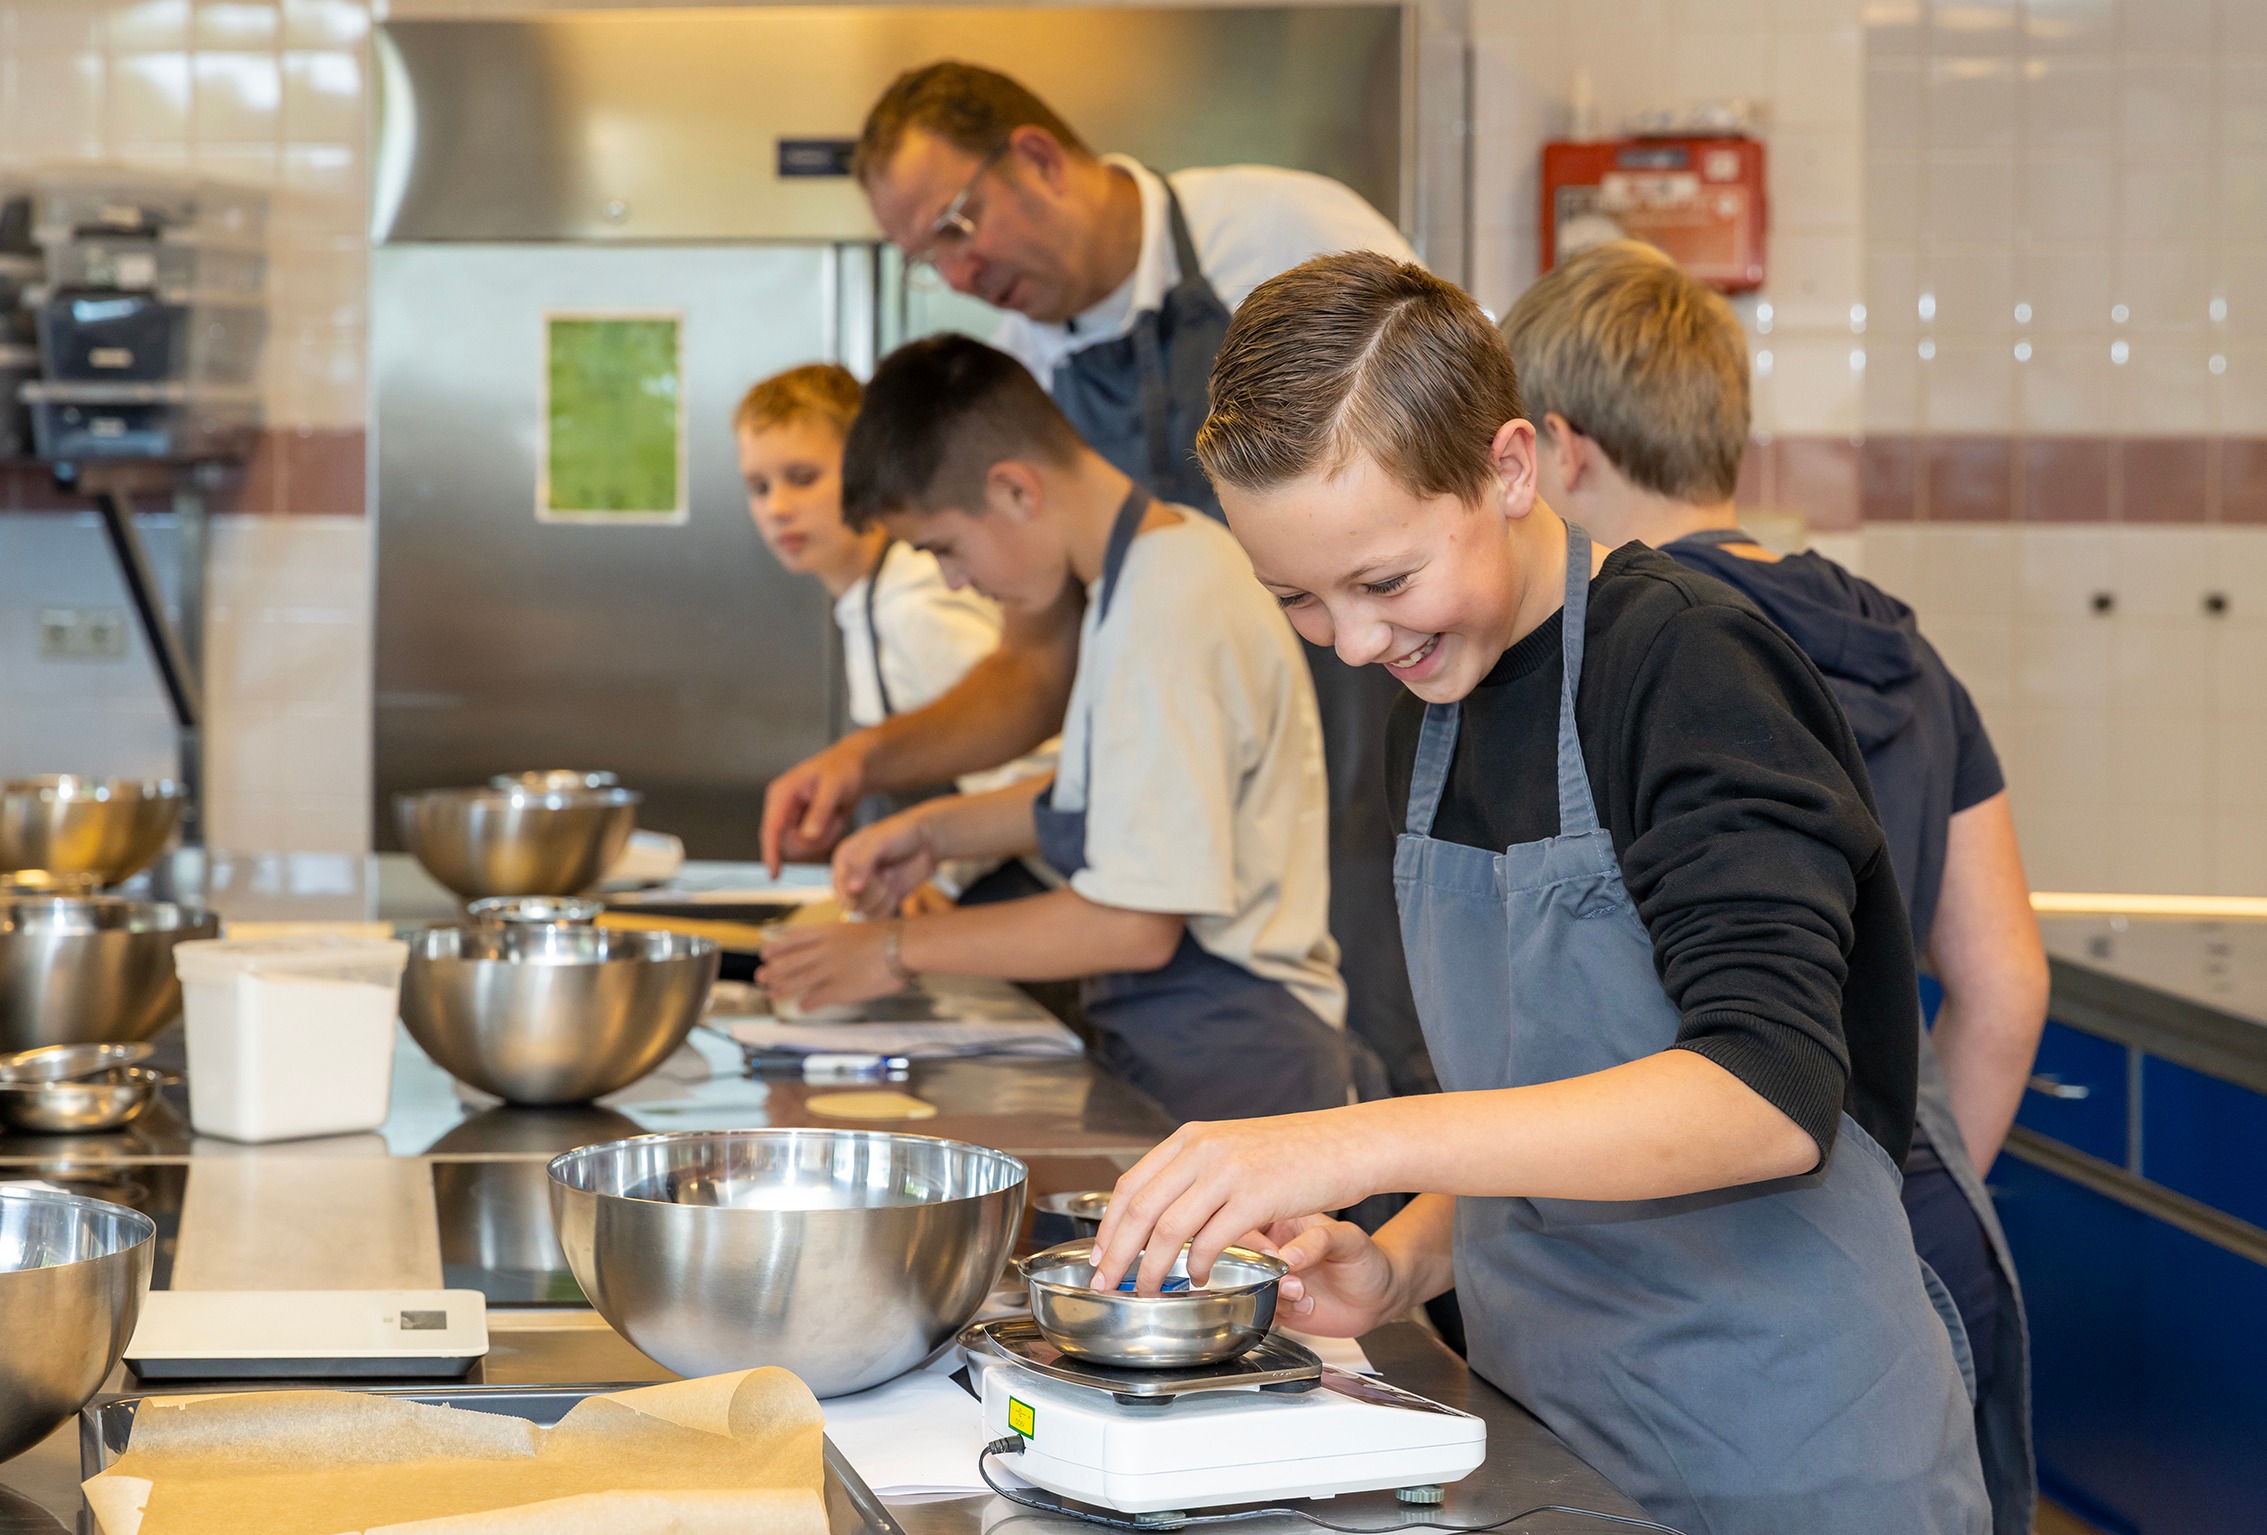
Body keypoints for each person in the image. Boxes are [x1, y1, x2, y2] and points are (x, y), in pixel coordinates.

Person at [1083, 252, 1990, 1535]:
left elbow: (1761, 1093)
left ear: (1511, 467)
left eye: (1383, 580)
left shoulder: (1686, 666)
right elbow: (1556, 1087)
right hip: (1554, 1443)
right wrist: (1398, 1258)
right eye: (1295, 596)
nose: (1351, 640)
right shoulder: (1442, 702)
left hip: (1783, 1459)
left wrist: (1351, 1140)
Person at [1500, 240, 2046, 1535]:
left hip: (1730, 1282)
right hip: (1929, 1233)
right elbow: (2002, 984)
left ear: (1561, 452)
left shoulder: (1638, 659)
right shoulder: (1897, 647)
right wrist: (1900, 1178)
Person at [758, 62, 1434, 1097]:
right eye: (922, 257)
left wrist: (892, 950)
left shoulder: (1286, 234)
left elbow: (1452, 485)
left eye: (952, 225)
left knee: (1409, 1095)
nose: (953, 269)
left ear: (1033, 156)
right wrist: (899, 794)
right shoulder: (1113, 533)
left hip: (1396, 751)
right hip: (1245, 909)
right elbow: (1077, 737)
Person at [755, 334, 1358, 1124]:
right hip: (1186, 1037)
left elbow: (1136, 923)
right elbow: (1124, 796)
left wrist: (891, 951)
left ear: (1013, 490)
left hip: (1238, 1052)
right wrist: (936, 832)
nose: (956, 579)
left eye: (945, 547)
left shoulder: (1167, 605)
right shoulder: (1138, 576)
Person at [735, 363, 1055, 903]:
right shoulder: (867, 600)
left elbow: (1038, 782)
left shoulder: (917, 608)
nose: (777, 509)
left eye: (803, 478)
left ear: (866, 472)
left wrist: (943, 876)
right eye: (758, 487)